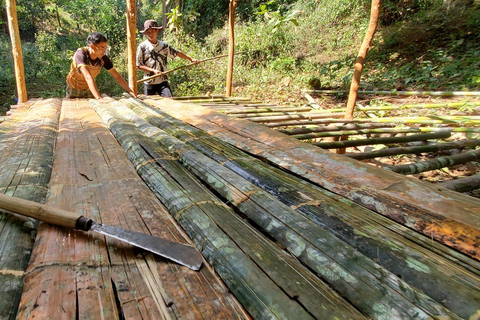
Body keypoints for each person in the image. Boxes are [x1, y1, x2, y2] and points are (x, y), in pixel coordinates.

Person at [136, 19, 199, 97]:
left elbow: (177, 53)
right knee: (149, 105)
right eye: (148, 32)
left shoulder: (163, 46)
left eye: (152, 31)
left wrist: (191, 59)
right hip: (149, 82)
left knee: (169, 101)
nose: (150, 34)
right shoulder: (142, 47)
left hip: (163, 81)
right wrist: (153, 70)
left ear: (157, 31)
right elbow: (138, 65)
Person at [66, 32, 136, 100]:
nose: (104, 51)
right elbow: (88, 77)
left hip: (89, 89)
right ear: (92, 46)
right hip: (74, 88)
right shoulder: (81, 54)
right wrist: (99, 98)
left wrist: (130, 91)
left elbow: (116, 76)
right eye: (102, 48)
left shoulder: (103, 58)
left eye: (106, 48)